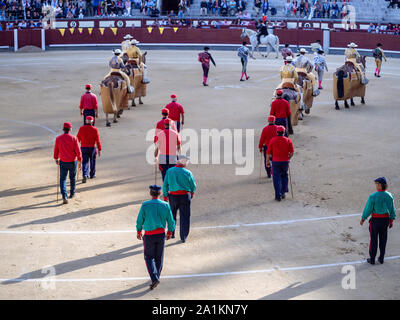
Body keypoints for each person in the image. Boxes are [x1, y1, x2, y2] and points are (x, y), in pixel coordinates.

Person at [136, 185, 176, 290]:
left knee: (149, 257)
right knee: (159, 257)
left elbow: (140, 219)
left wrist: (139, 230)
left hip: (149, 235)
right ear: (160, 193)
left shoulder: (145, 205)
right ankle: (156, 276)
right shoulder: (165, 205)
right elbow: (171, 221)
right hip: (161, 234)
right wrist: (170, 232)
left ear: (150, 193)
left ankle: (154, 278)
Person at [360, 177, 396, 265]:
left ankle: (372, 259)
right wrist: (391, 221)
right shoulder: (390, 196)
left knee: (373, 239)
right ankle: (381, 258)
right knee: (383, 240)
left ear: (380, 185)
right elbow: (392, 210)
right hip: (385, 221)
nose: (376, 185)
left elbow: (368, 209)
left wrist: (363, 218)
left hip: (375, 221)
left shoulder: (373, 196)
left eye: (376, 184)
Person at [162, 155, 196, 243]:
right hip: (185, 196)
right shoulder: (188, 172)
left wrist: (165, 195)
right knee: (185, 216)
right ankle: (183, 236)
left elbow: (165, 184)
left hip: (173, 196)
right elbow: (193, 185)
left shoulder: (169, 171)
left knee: (172, 215)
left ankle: (171, 233)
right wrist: (192, 193)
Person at [53, 122, 82, 204]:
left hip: (63, 161)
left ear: (63, 129)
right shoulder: (74, 138)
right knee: (72, 178)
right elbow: (78, 151)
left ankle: (64, 196)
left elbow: (56, 150)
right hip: (73, 161)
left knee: (62, 179)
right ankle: (72, 193)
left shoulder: (58, 138)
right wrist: (80, 160)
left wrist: (56, 158)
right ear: (70, 129)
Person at [266, 125, 294, 201]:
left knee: (276, 178)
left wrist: (267, 161)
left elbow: (268, 153)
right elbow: (291, 152)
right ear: (284, 132)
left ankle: (278, 195)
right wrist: (288, 158)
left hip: (275, 162)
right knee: (284, 176)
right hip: (285, 161)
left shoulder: (272, 140)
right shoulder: (288, 140)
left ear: (277, 132)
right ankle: (283, 192)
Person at [76, 116, 102, 183]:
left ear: (86, 121)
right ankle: (92, 174)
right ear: (92, 121)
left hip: (83, 147)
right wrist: (99, 149)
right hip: (92, 148)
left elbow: (77, 139)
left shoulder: (81, 129)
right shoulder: (95, 129)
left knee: (85, 162)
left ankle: (85, 174)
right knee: (93, 161)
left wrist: (77, 148)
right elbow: (97, 140)